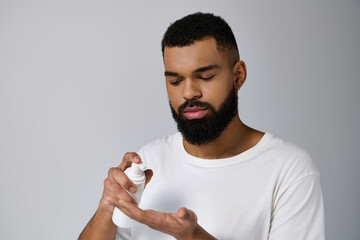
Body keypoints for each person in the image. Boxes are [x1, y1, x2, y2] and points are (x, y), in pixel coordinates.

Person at [79, 12, 325, 240]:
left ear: (238, 75)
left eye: (205, 77)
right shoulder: (149, 161)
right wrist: (107, 207)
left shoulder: (289, 169)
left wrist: (194, 236)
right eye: (175, 81)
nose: (188, 93)